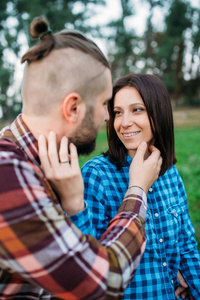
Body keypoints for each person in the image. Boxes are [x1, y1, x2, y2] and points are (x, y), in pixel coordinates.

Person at [0, 17, 162, 300]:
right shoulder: (8, 172)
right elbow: (100, 285)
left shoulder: (31, 164)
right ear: (73, 107)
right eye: (103, 103)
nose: (108, 117)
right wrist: (137, 190)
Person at [81, 73, 200, 299]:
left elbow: (186, 247)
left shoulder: (170, 173)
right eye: (118, 112)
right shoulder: (96, 176)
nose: (124, 122)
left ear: (159, 113)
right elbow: (88, 267)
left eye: (137, 109)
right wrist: (138, 189)